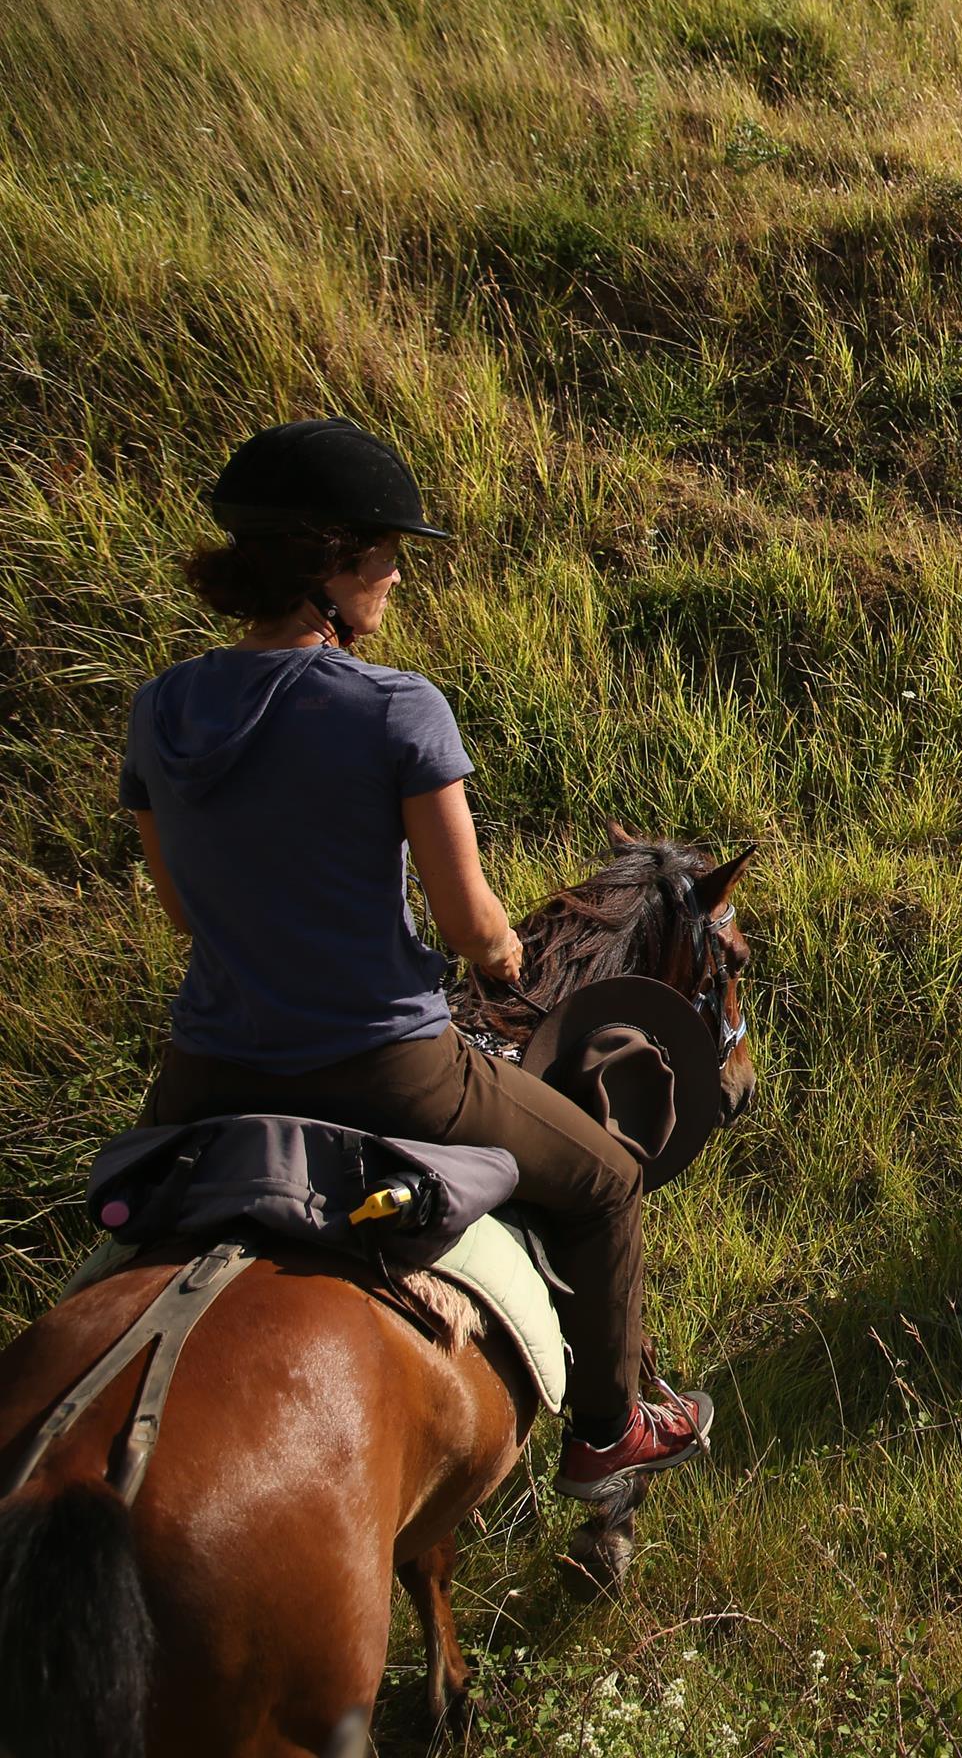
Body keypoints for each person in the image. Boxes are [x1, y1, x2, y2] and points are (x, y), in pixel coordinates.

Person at [120, 418, 710, 1504]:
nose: (395, 571)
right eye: (383, 551)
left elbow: (179, 911)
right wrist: (499, 954)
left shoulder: (159, 708)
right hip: (385, 1063)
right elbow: (471, 921)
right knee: (606, 1182)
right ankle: (606, 1433)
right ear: (328, 565)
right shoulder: (397, 707)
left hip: (204, 1070)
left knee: (112, 1238)